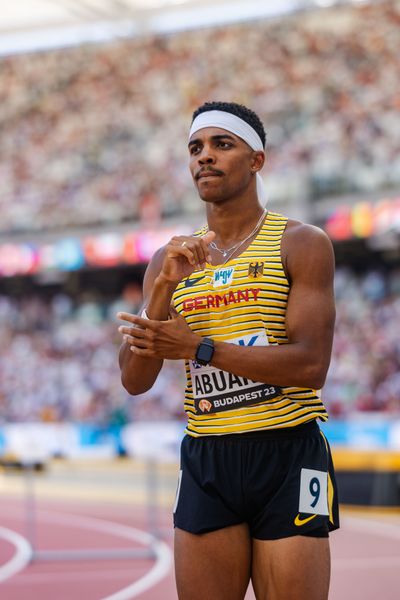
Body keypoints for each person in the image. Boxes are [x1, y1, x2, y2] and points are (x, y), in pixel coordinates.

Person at [118, 101, 339, 600]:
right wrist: (160, 294)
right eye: (195, 148)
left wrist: (200, 347)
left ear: (256, 160)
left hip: (289, 451)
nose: (205, 158)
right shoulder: (169, 259)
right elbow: (134, 380)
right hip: (208, 456)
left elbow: (310, 365)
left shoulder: (300, 243)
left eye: (223, 144)